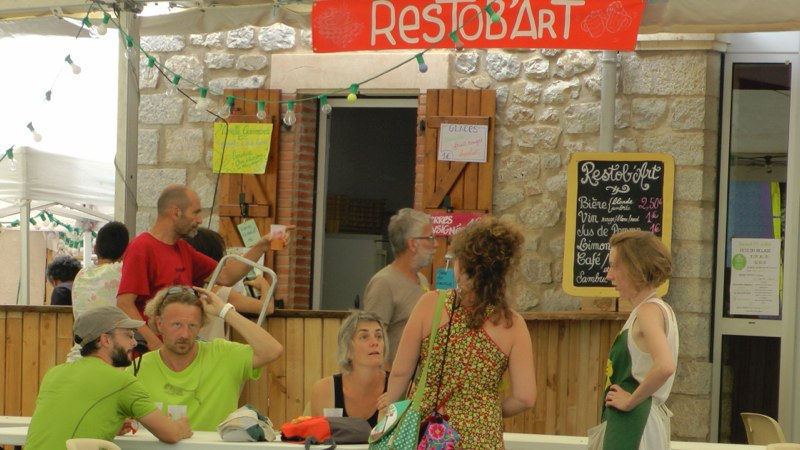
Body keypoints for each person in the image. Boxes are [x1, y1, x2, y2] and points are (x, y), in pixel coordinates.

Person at [381, 217, 536, 449]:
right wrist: (487, 411)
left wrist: (389, 419)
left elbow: (401, 373)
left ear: (462, 264)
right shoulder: (513, 324)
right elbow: (525, 397)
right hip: (484, 438)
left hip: (430, 435)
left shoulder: (431, 305)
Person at [117, 184, 281, 351]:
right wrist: (155, 344)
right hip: (152, 355)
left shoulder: (183, 249)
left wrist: (261, 247)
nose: (200, 220)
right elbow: (124, 304)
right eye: (195, 213)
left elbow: (226, 276)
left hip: (180, 351)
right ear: (176, 212)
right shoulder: (142, 247)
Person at [25, 306, 192, 449]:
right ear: (105, 340)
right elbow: (170, 434)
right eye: (128, 336)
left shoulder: (54, 373)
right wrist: (181, 426)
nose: (134, 343)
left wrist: (109, 425)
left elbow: (62, 425)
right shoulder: (122, 382)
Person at [131, 285, 283, 431]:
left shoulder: (223, 355)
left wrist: (225, 311)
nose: (185, 334)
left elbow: (272, 350)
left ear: (201, 325)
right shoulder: (137, 369)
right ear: (159, 324)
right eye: (177, 325)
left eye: (192, 325)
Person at [600, 230, 678, 450]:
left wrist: (630, 400)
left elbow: (665, 365)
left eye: (614, 266)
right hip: (642, 419)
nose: (609, 275)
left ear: (635, 268)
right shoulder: (658, 309)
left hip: (636, 422)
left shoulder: (648, 311)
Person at [363, 208, 436, 363]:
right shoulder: (383, 283)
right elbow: (370, 342)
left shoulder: (422, 280)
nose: (435, 244)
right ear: (413, 244)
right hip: (392, 377)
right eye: (430, 238)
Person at [184, 227, 275, 340]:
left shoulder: (183, 290)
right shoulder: (219, 292)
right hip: (213, 349)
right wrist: (264, 284)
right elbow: (267, 308)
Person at [310, 311, 388, 427]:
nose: (375, 343)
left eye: (379, 336)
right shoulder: (324, 390)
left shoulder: (401, 388)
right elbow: (318, 436)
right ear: (347, 349)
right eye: (364, 337)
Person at [67, 221, 130, 362]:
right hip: (108, 358)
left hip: (76, 357)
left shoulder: (81, 275)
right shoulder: (122, 272)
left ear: (95, 249)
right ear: (126, 252)